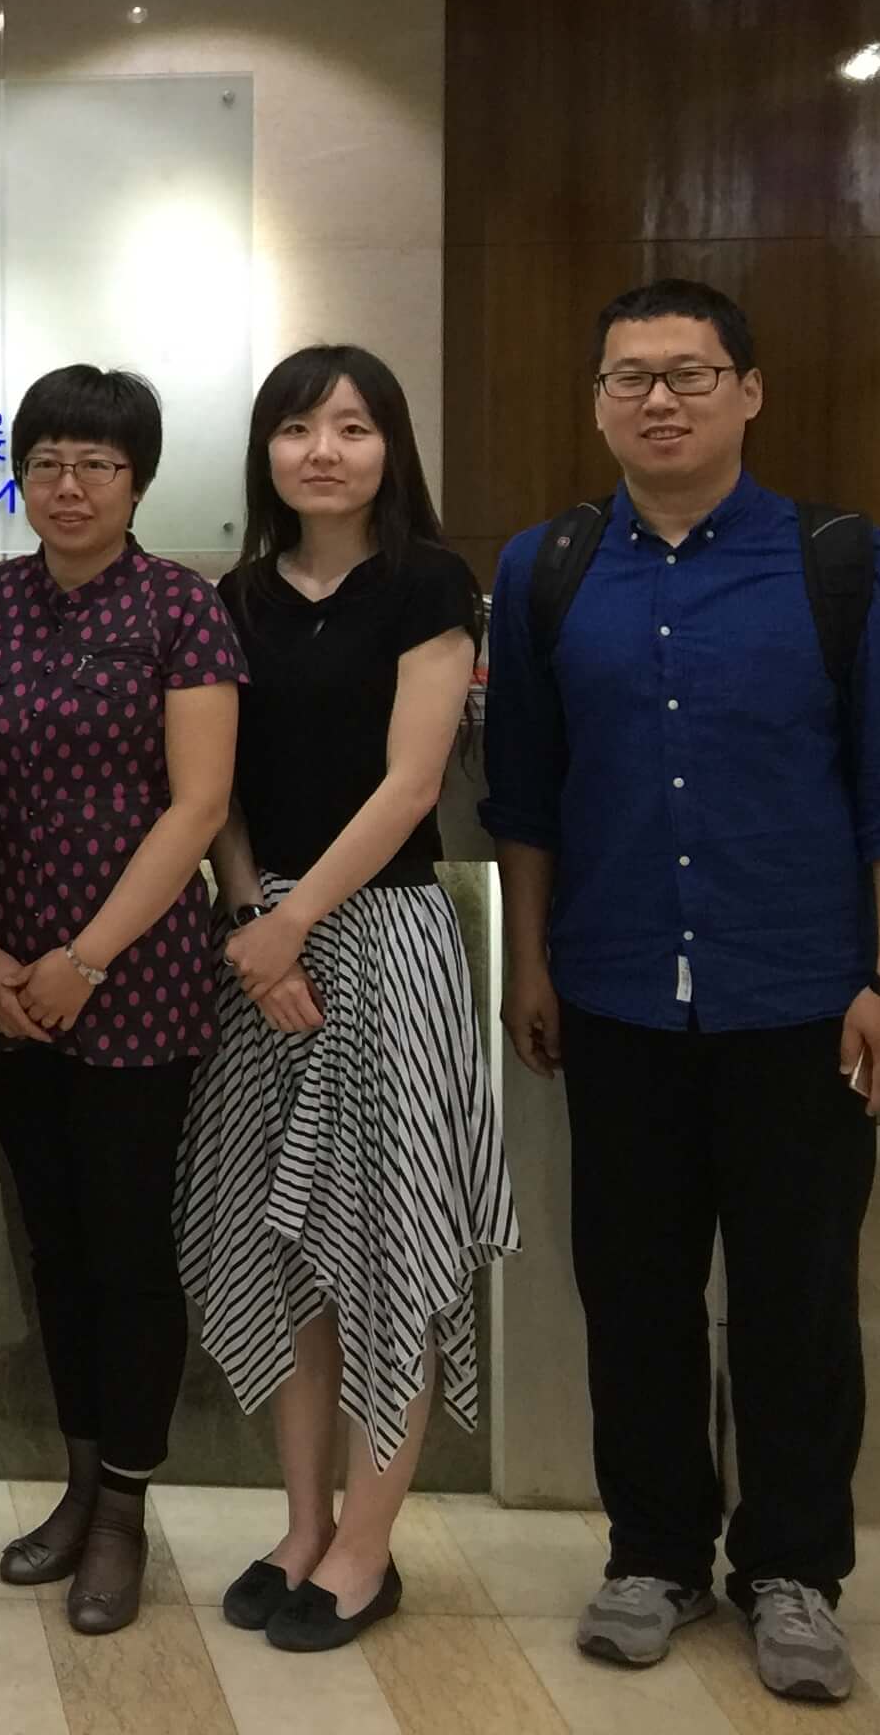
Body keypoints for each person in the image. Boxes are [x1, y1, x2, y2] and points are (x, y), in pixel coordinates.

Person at [482, 279, 880, 1708]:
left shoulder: (837, 563)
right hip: (619, 996)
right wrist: (532, 962)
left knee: (798, 1299)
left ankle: (796, 1571)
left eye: (690, 375)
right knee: (632, 1291)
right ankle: (654, 1553)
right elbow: (529, 799)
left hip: (804, 998)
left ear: (749, 391)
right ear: (599, 402)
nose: (660, 401)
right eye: (631, 379)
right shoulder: (550, 568)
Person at [176, 344, 519, 1653]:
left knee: (387, 1251)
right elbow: (220, 794)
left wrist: (296, 921)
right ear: (264, 452)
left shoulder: (430, 584)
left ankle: (370, 1545)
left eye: (355, 427)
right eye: (298, 428)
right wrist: (256, 911)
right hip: (268, 949)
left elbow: (414, 784)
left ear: (392, 450)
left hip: (382, 944)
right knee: (287, 1252)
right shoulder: (239, 595)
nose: (326, 450)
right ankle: (303, 1523)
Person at [0, 364, 244, 1638]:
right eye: (48, 462)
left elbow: (199, 805)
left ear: (139, 479)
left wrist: (86, 958)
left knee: (128, 1249)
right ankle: (76, 1482)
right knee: (52, 1244)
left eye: (99, 466)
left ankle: (124, 1504)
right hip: (4, 975)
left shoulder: (184, 609)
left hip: (136, 981)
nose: (69, 487)